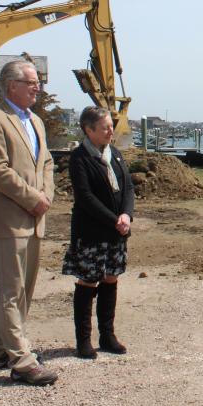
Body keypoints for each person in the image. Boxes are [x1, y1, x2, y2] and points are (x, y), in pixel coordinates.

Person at [0, 59, 57, 386]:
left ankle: (0, 349)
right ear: (11, 86)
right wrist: (32, 198)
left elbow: (46, 161)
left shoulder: (35, 121)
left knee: (24, 291)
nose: (38, 87)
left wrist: (46, 194)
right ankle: (22, 360)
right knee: (11, 291)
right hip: (10, 218)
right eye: (32, 82)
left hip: (36, 217)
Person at [62, 106, 134, 359]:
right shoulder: (79, 158)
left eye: (110, 126)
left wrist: (126, 215)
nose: (110, 131)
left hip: (116, 232)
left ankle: (107, 335)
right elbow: (85, 197)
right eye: (105, 127)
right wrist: (114, 219)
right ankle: (83, 340)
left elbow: (127, 188)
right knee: (88, 281)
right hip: (92, 232)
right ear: (88, 129)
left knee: (111, 279)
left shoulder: (114, 153)